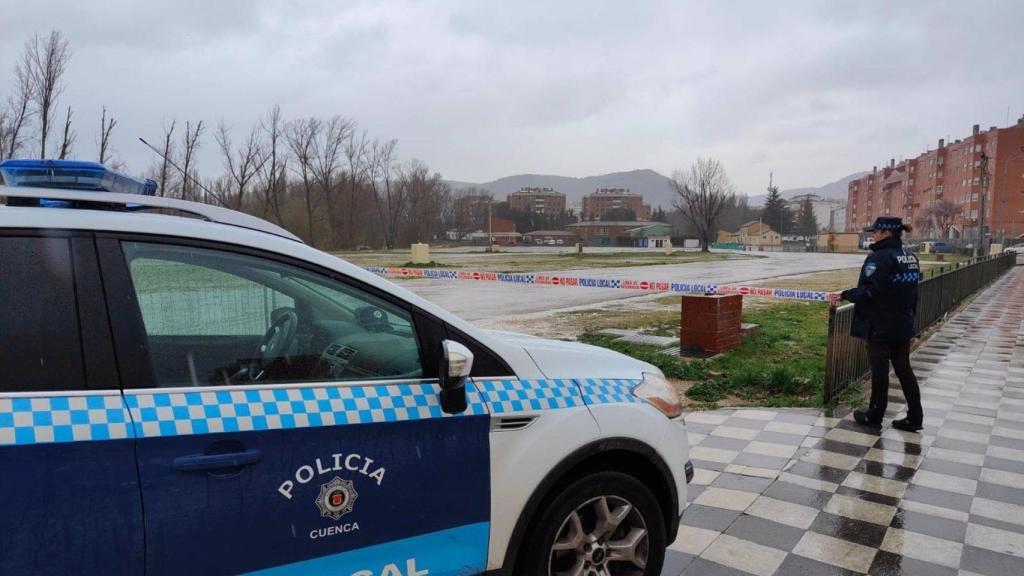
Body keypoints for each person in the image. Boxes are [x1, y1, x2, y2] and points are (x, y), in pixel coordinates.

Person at [839, 216, 924, 432]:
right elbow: (913, 292)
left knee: (879, 370)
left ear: (886, 233)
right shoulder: (909, 256)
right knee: (904, 369)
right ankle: (915, 416)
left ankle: (874, 415)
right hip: (903, 322)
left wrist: (845, 294)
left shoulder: (879, 258)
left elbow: (871, 291)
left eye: (875, 231)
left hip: (881, 323)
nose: (873, 235)